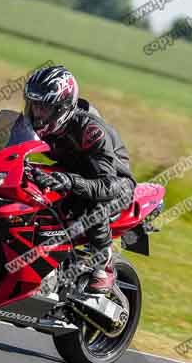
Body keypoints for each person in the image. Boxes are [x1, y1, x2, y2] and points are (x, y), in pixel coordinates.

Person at [24, 65, 136, 294]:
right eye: (34, 105)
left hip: (115, 183)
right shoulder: (35, 123)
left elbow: (107, 184)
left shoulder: (90, 131)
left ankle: (104, 262)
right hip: (72, 171)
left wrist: (70, 182)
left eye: (44, 107)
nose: (37, 113)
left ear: (62, 107)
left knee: (92, 205)